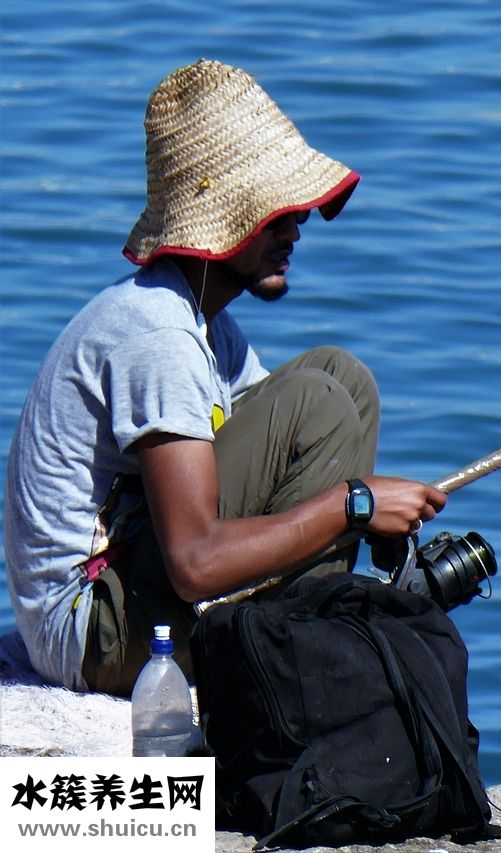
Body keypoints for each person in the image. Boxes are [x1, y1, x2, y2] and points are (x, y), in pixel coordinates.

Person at [4, 59, 447, 697]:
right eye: (277, 214)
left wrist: (366, 518)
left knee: (340, 377)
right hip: (90, 632)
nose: (298, 229)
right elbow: (193, 563)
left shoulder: (203, 322)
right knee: (318, 401)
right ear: (222, 221)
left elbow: (287, 460)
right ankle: (300, 651)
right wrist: (354, 505)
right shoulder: (158, 336)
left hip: (128, 585)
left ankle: (308, 626)